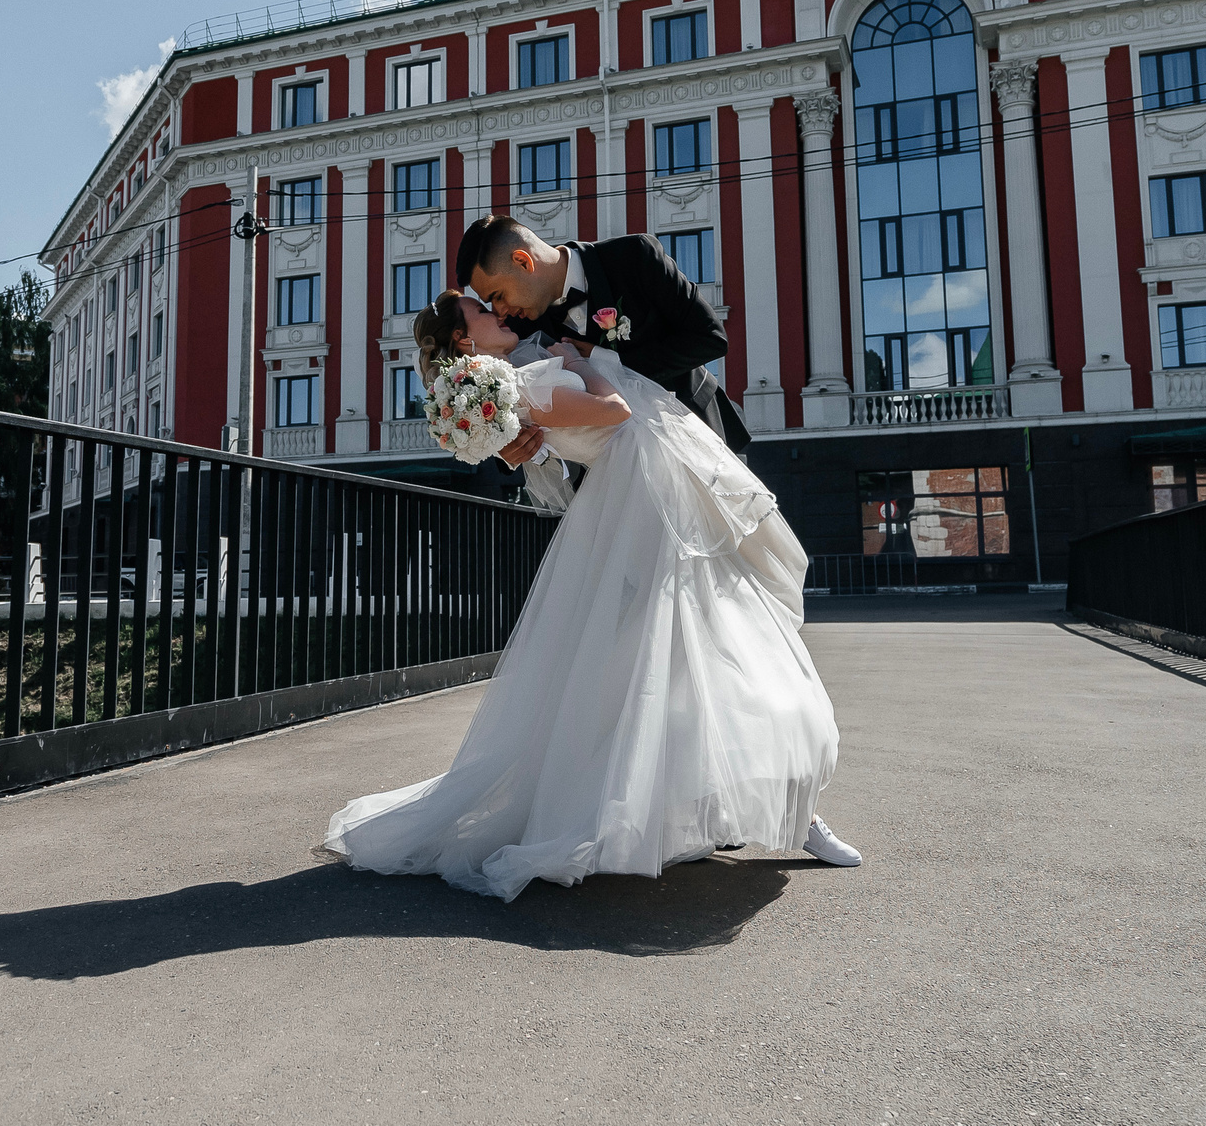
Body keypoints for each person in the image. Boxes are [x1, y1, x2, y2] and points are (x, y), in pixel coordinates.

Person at [318, 290, 860, 902]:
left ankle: (764, 812)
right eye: (478, 312)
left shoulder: (524, 368)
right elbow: (616, 413)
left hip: (667, 505)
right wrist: (578, 365)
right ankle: (792, 817)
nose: (493, 309)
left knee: (699, 666)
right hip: (650, 520)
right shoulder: (524, 384)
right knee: (718, 658)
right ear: (466, 342)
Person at [455, 216, 748, 466]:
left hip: (697, 432)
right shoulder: (518, 326)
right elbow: (523, 403)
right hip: (613, 473)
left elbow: (710, 338)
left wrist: (606, 361)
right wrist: (510, 447)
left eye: (498, 296)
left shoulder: (636, 256)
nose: (500, 312)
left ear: (523, 261)